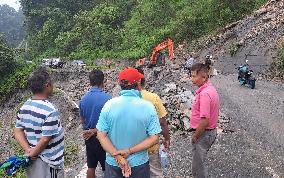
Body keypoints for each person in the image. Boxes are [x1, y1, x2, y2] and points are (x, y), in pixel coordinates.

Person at [96, 67, 162, 178]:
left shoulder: (109, 105)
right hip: (139, 163)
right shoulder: (148, 107)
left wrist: (118, 157)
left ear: (120, 84)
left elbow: (101, 135)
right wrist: (129, 151)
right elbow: (154, 138)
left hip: (113, 163)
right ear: (138, 83)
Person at [14, 67, 64, 178]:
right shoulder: (50, 110)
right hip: (48, 163)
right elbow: (46, 138)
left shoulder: (25, 106)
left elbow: (17, 131)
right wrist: (33, 153)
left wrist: (28, 150)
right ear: (47, 85)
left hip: (33, 161)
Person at [136, 67, 170, 177]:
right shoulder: (153, 98)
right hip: (151, 147)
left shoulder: (122, 101)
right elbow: (162, 122)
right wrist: (167, 138)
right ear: (141, 80)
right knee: (155, 174)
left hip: (133, 149)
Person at [79, 69, 112, 178]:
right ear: (103, 81)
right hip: (104, 138)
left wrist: (89, 130)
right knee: (107, 167)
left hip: (89, 138)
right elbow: (110, 122)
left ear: (90, 82)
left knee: (91, 166)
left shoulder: (83, 100)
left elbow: (82, 121)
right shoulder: (108, 99)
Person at [189, 63, 220, 178]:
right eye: (191, 76)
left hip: (204, 133)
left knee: (198, 166)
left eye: (193, 76)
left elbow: (205, 120)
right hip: (207, 132)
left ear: (204, 77)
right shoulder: (210, 89)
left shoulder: (205, 94)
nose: (191, 79)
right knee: (199, 162)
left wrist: (196, 136)